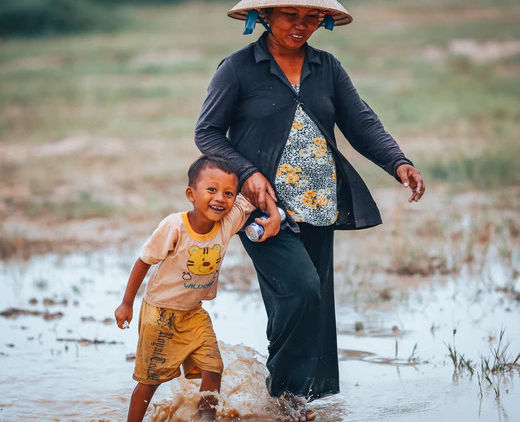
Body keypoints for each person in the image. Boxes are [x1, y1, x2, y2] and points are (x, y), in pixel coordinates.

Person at [194, 1, 426, 420]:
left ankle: (288, 400)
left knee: (307, 303)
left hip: (320, 205)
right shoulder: (238, 68)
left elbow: (361, 122)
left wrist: (398, 162)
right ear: (265, 16)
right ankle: (286, 396)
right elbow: (207, 132)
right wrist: (246, 173)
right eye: (290, 16)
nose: (301, 26)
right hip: (262, 210)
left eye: (311, 18)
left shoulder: (328, 67)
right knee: (300, 290)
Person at [114, 154, 280, 422]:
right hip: (161, 315)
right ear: (191, 193)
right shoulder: (174, 226)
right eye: (211, 190)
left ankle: (205, 417)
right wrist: (126, 303)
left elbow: (255, 192)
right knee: (150, 381)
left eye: (228, 192)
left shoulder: (226, 223)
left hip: (194, 312)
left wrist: (273, 213)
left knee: (213, 369)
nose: (220, 198)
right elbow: (144, 261)